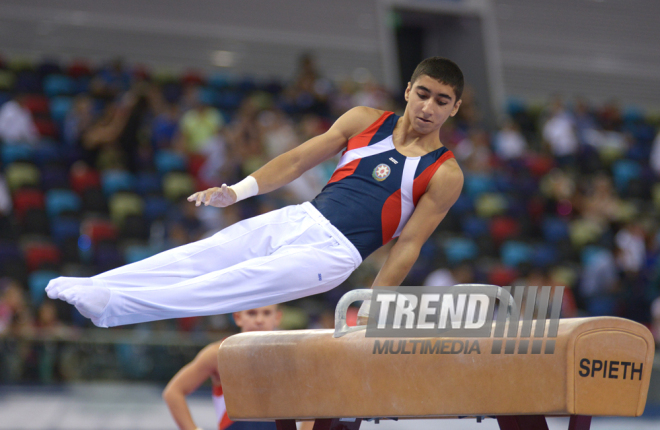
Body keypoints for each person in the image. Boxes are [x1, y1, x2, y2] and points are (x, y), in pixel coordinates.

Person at [46, 57, 465, 328]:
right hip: (301, 217)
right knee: (202, 254)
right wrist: (236, 191)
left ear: (454, 108)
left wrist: (373, 309)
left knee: (234, 282)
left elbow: (408, 245)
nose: (428, 108)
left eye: (441, 101)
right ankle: (97, 284)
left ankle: (113, 309)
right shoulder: (364, 120)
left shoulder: (444, 173)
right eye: (423, 94)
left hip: (334, 255)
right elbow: (297, 160)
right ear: (409, 90)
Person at [162, 305, 310, 430]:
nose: (259, 320)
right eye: (252, 313)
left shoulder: (292, 354)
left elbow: (318, 402)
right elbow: (173, 392)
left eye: (266, 313)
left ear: (277, 317)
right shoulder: (218, 354)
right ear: (238, 317)